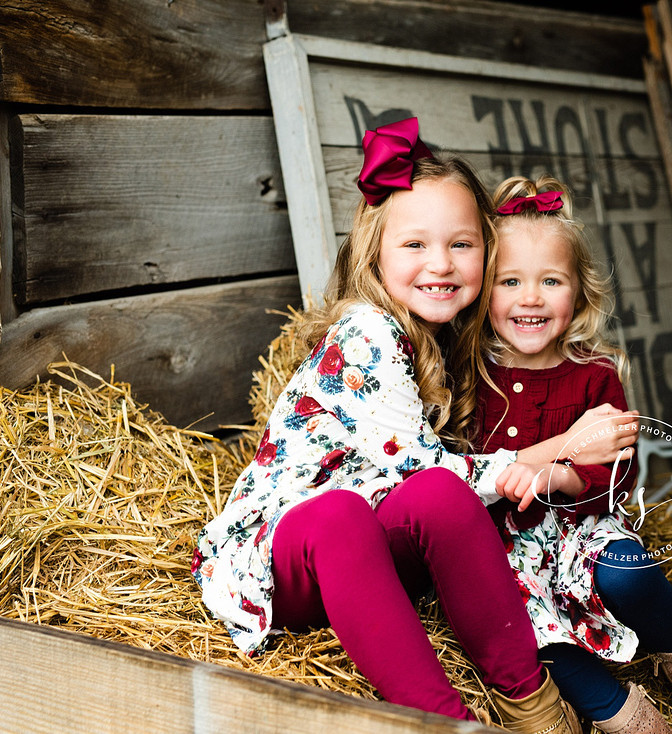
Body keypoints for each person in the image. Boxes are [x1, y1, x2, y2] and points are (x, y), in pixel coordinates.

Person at [190, 119, 636, 732]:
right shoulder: (368, 334)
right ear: (375, 253)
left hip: (380, 549)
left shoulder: (452, 339)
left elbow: (432, 488)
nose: (441, 264)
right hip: (294, 556)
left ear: (487, 249)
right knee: (346, 511)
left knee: (438, 499)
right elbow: (420, 463)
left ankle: (530, 701)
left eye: (461, 244)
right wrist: (563, 445)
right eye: (415, 246)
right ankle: (443, 721)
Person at [474, 175, 672, 734]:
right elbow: (461, 465)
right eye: (509, 281)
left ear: (580, 293)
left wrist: (565, 479)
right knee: (531, 631)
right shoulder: (473, 374)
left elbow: (620, 466)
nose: (530, 298)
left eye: (550, 281)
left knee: (627, 572)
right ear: (483, 291)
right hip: (500, 547)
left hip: (579, 523)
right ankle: (625, 716)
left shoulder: (594, 374)